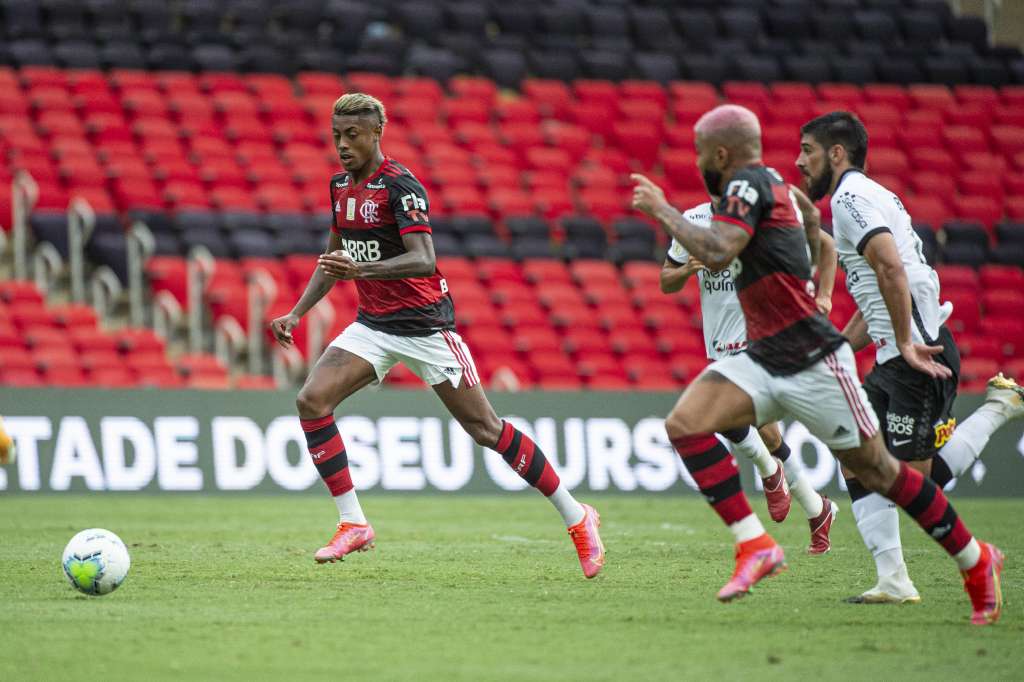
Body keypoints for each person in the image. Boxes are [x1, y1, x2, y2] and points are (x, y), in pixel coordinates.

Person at [630, 103, 1003, 625]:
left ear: (720, 153)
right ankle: (754, 544)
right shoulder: (776, 188)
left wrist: (661, 209)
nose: (697, 162)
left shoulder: (748, 186)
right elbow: (812, 229)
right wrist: (809, 274)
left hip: (810, 357)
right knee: (686, 425)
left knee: (884, 472)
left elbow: (719, 253)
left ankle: (976, 558)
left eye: (699, 153)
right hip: (762, 355)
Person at [269, 93, 604, 578]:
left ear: (376, 133)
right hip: (374, 326)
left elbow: (423, 259)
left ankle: (578, 517)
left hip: (427, 327)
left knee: (486, 430)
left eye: (353, 135)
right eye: (337, 135)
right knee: (311, 401)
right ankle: (353, 523)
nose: (342, 144)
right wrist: (297, 313)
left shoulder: (401, 187)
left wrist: (361, 271)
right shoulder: (340, 186)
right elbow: (334, 259)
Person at [796, 110, 1023, 604]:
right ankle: (894, 580)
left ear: (837, 154)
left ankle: (996, 410)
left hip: (919, 353)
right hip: (895, 354)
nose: (799, 162)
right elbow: (876, 288)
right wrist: (839, 348)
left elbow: (892, 269)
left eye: (807, 151)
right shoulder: (865, 197)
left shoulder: (852, 198)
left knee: (913, 482)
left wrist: (902, 341)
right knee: (856, 458)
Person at [660, 189, 838, 554]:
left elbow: (827, 246)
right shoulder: (693, 222)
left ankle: (771, 474)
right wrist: (688, 268)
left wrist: (825, 295)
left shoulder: (760, 216)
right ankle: (818, 509)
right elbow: (666, 280)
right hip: (719, 341)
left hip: (761, 333)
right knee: (768, 436)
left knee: (721, 409)